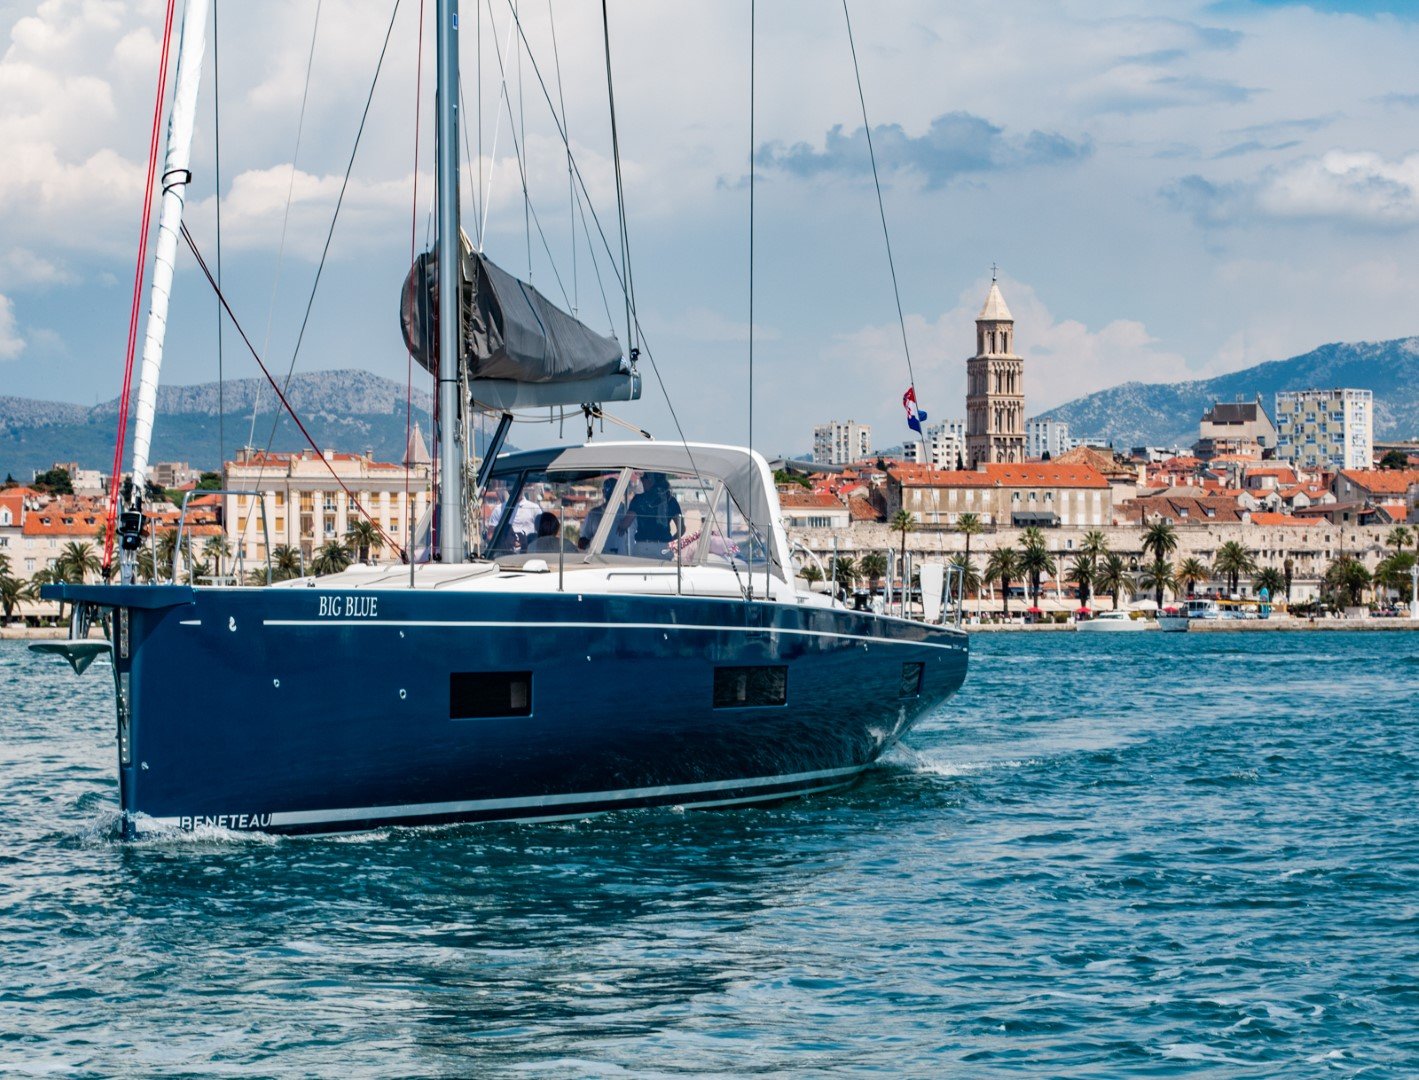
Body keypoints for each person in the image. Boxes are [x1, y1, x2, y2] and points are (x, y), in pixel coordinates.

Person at [624, 472, 682, 556]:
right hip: (664, 547)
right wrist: (669, 541)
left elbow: (625, 524)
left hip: (643, 546)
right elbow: (681, 529)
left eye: (643, 479)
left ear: (651, 481)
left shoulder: (639, 500)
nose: (642, 482)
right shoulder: (671, 501)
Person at [577, 477, 619, 551]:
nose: (611, 492)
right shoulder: (594, 514)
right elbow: (582, 542)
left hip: (623, 559)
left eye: (613, 490)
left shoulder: (626, 513)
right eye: (608, 490)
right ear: (603, 491)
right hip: (599, 559)